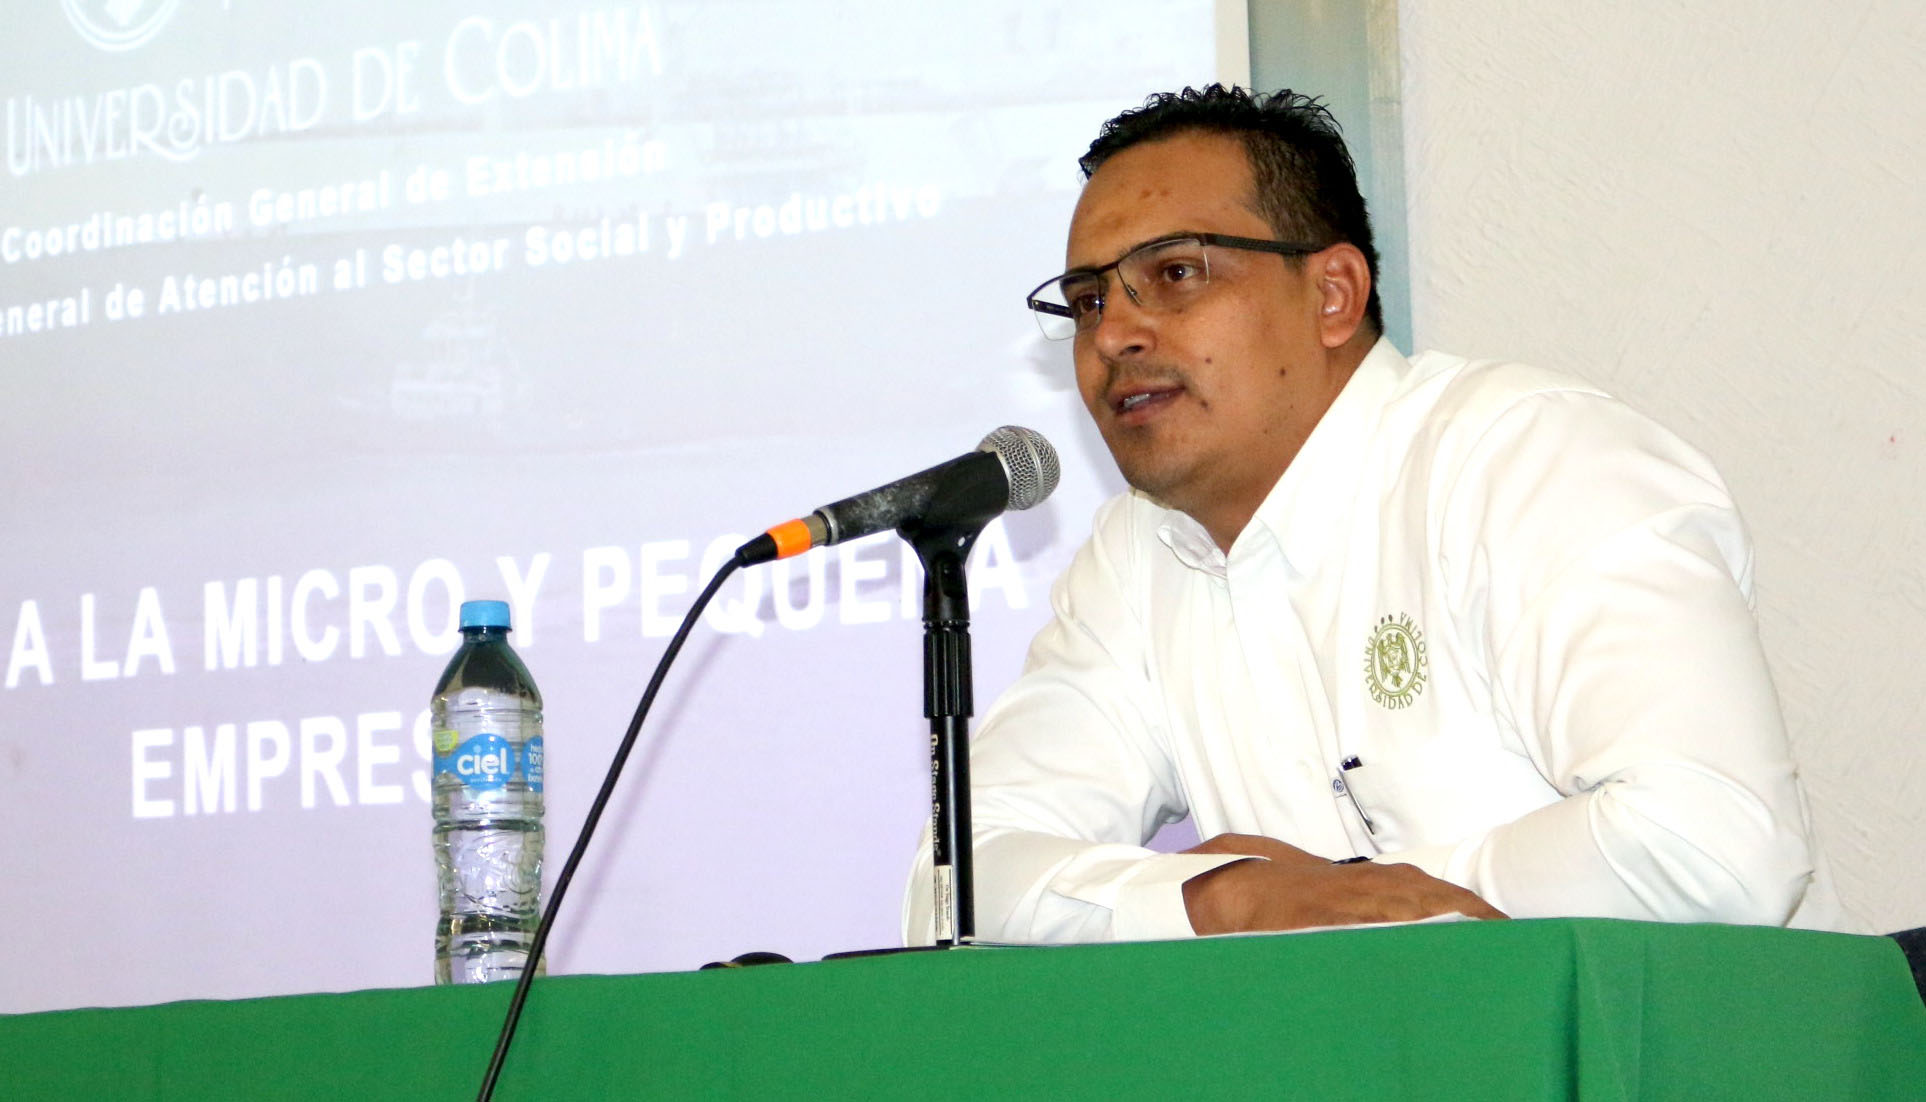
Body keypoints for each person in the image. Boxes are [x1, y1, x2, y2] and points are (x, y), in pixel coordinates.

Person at [903, 85, 1843, 944]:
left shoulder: (1530, 459)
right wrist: (1224, 900)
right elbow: (952, 889)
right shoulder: (1137, 556)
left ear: (1333, 295)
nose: (1113, 334)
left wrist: (1352, 903)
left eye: (1178, 273)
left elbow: (1719, 844)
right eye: (1088, 300)